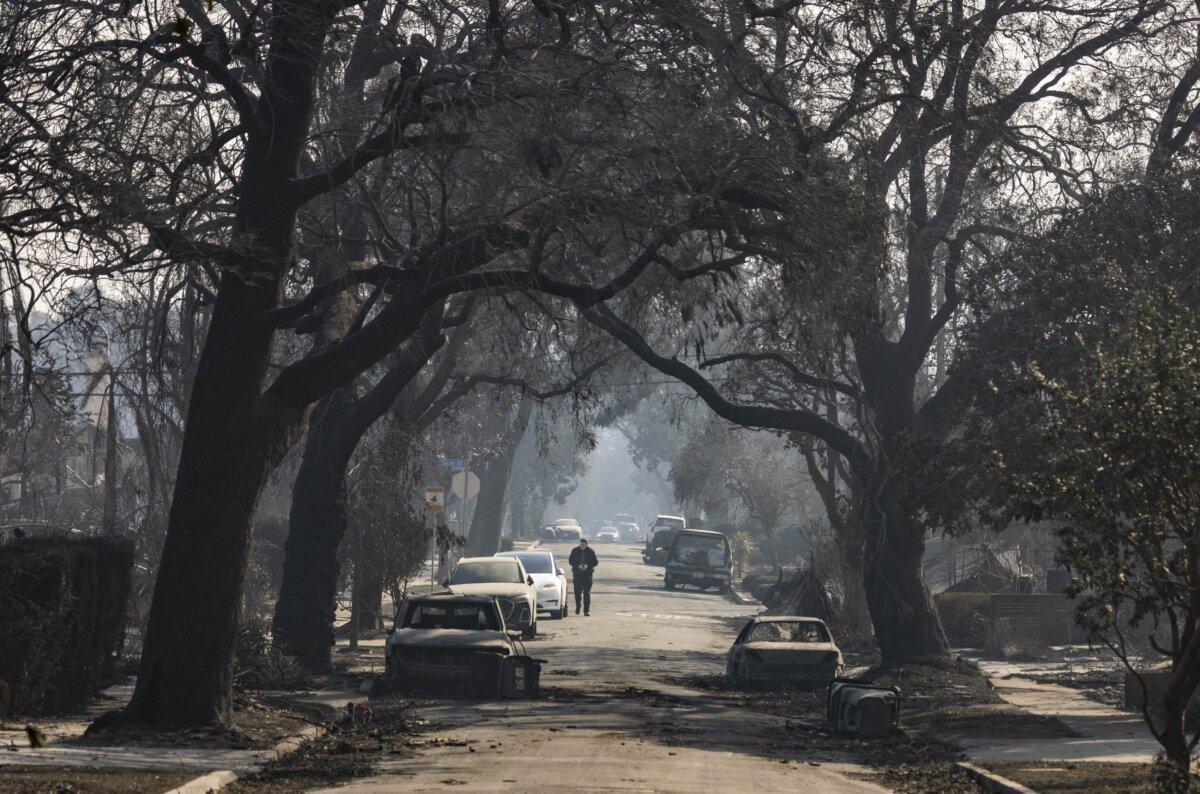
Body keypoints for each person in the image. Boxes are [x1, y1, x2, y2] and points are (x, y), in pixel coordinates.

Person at [568, 538, 599, 616]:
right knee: (577, 592)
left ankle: (586, 611)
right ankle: (578, 606)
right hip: (577, 575)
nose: (582, 546)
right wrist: (577, 565)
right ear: (579, 544)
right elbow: (570, 561)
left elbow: (595, 562)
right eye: (581, 544)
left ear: (586, 545)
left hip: (587, 575)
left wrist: (587, 565)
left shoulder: (591, 551)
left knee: (586, 593)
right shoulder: (574, 550)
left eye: (584, 545)